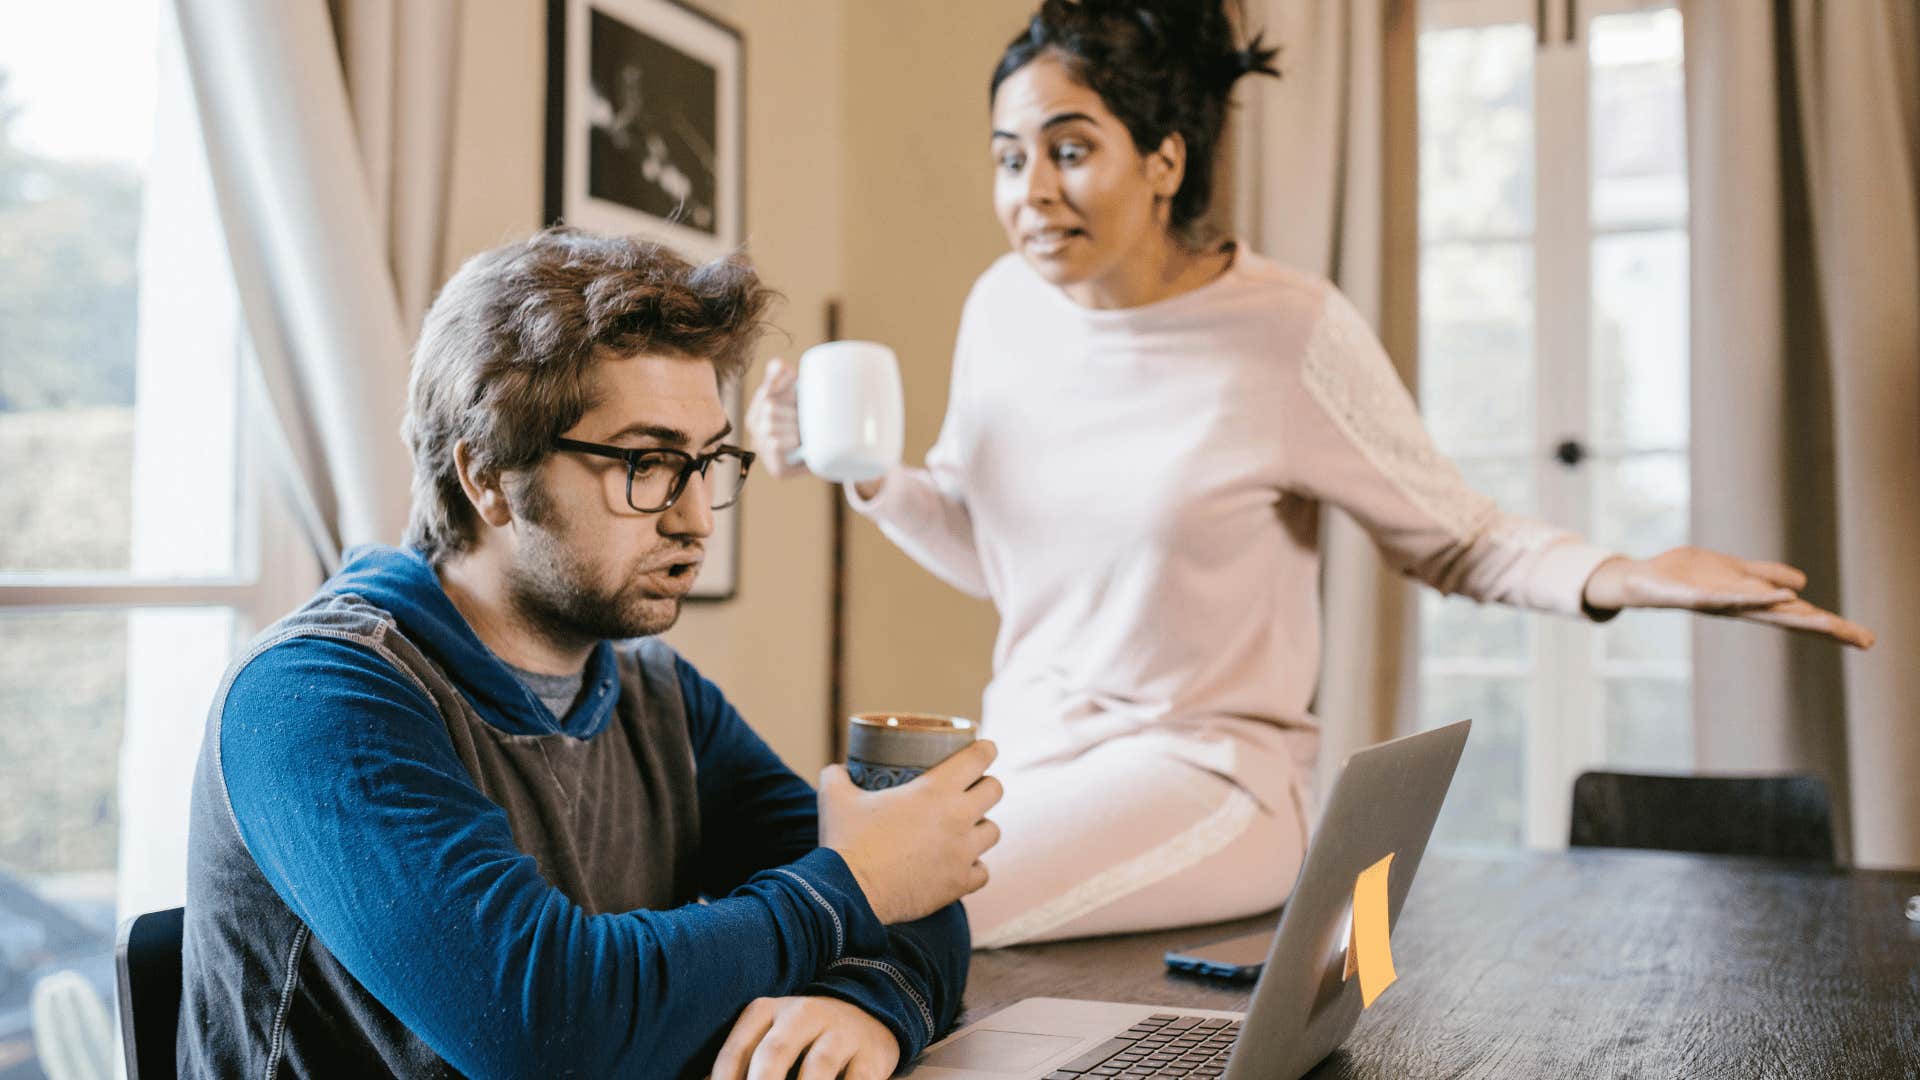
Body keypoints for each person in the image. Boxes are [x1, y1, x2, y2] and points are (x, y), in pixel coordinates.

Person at [746, 0, 1874, 950]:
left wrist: (1619, 573)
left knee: (887, 905)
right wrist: (863, 473)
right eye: (1007, 155)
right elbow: (996, 549)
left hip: (1211, 780)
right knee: (780, 853)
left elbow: (1460, 534)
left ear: (1164, 159)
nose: (1029, 190)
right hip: (1028, 759)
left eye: (1070, 148)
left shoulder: (1287, 332)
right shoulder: (1002, 309)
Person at [177, 228, 1003, 1079]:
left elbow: (920, 885)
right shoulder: (315, 697)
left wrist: (866, 1003)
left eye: (706, 463)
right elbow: (546, 1024)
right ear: (489, 477)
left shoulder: (656, 695)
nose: (695, 520)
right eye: (646, 463)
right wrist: (853, 889)